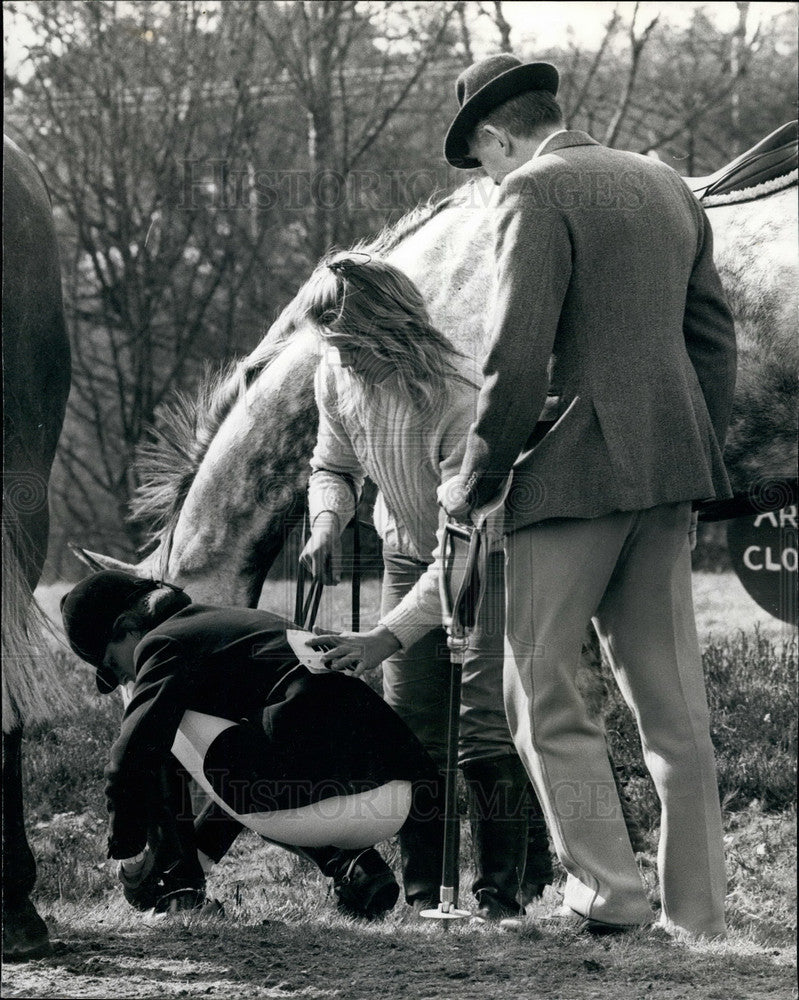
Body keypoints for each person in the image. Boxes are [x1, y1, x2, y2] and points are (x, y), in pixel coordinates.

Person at [437, 54, 736, 938]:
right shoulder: (667, 185)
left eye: (482, 157)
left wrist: (476, 480)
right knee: (674, 709)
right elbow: (712, 341)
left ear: (496, 136)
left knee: (542, 696)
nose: (489, 175)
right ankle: (698, 916)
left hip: (567, 483)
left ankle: (608, 895)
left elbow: (514, 359)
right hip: (666, 477)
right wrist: (687, 447)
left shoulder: (532, 192)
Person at [295, 253, 554, 921]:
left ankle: (504, 893)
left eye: (354, 348)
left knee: (480, 727)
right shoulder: (336, 374)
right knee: (412, 731)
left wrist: (386, 636)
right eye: (335, 349)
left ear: (391, 332)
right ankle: (422, 895)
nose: (344, 363)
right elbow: (333, 464)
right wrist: (326, 524)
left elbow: (464, 545)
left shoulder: (456, 395)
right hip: (408, 553)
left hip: (489, 558)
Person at [60, 570, 441, 920]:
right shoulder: (244, 622)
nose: (124, 678)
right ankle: (383, 880)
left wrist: (129, 854)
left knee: (153, 724)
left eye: (112, 665)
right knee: (231, 739)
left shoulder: (161, 642)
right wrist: (428, 895)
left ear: (128, 627)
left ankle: (181, 894)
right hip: (396, 803)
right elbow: (237, 772)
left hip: (314, 804)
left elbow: (129, 760)